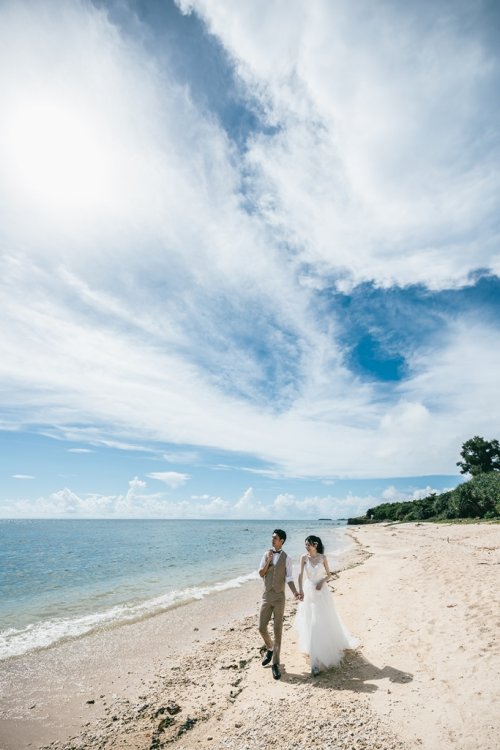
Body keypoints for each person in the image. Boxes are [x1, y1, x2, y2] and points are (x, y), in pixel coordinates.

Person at [295, 534, 358, 676]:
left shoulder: (322, 558)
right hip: (308, 591)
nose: (306, 547)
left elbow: (329, 574)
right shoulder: (303, 558)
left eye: (308, 544)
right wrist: (300, 590)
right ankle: (314, 661)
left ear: (315, 545)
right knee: (310, 622)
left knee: (320, 622)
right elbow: (300, 575)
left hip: (321, 593)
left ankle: (319, 654)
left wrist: (322, 581)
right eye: (305, 544)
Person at [258, 528, 301, 680]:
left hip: (279, 598)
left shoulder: (287, 558)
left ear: (281, 540)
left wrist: (295, 592)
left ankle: (276, 663)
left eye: (275, 538)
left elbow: (289, 578)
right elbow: (261, 573)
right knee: (261, 627)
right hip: (266, 596)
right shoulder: (265, 554)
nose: (272, 540)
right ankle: (270, 647)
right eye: (272, 537)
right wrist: (269, 560)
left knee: (278, 631)